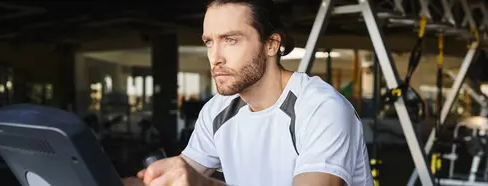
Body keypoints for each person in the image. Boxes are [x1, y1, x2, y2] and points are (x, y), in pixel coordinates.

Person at [130, 0, 373, 185]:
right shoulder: (218, 110)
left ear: (271, 44)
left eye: (231, 40)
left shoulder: (320, 108)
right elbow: (177, 176)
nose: (215, 58)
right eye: (209, 42)